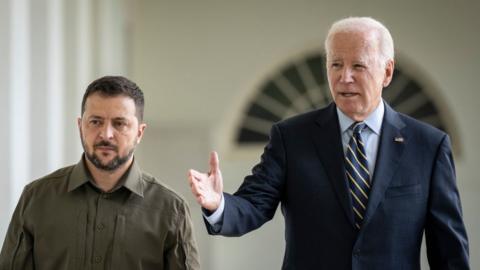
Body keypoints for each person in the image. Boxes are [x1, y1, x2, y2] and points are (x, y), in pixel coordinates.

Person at [188, 17, 469, 269]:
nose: (344, 77)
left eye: (358, 65)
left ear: (387, 72)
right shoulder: (291, 137)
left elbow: (449, 251)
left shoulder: (428, 146)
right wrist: (218, 205)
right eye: (336, 64)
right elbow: (253, 205)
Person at [0, 76, 200, 270]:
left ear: (139, 132)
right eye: (96, 122)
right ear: (80, 127)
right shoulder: (36, 198)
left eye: (119, 123)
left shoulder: (171, 210)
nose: (106, 134)